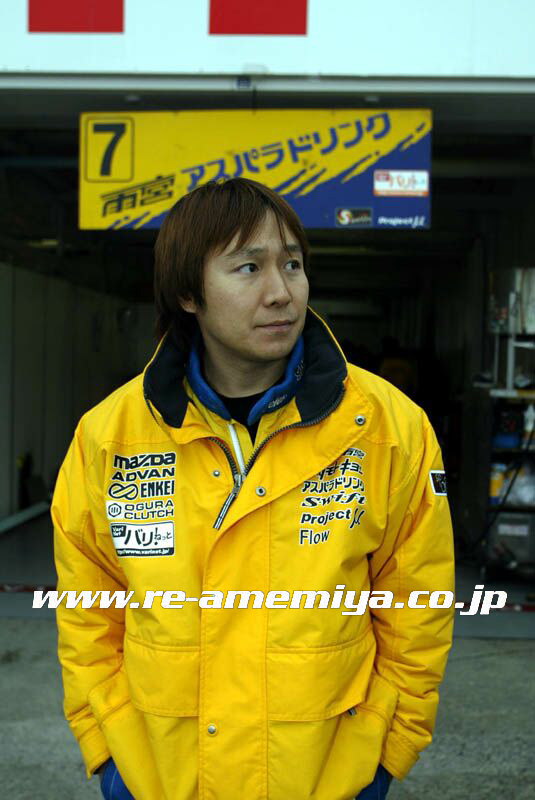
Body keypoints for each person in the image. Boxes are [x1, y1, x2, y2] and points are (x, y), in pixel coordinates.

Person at [52, 178, 455, 800]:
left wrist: (386, 753)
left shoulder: (387, 429)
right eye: (249, 267)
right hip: (157, 776)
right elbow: (88, 612)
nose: (281, 292)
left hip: (332, 776)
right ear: (188, 293)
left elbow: (417, 609)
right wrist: (109, 754)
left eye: (292, 265)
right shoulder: (111, 437)